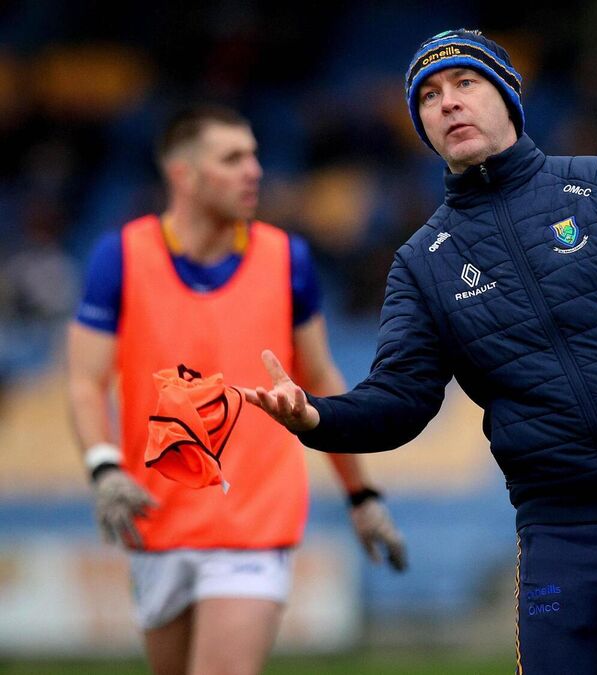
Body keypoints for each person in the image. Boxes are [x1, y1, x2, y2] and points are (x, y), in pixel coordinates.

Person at [243, 28, 597, 674]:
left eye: (465, 82)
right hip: (564, 530)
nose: (449, 102)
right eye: (429, 96)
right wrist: (316, 416)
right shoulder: (423, 263)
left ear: (508, 95)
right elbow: (400, 398)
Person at [66, 104, 407, 675]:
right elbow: (84, 379)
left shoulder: (287, 259)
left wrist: (361, 495)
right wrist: (104, 468)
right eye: (232, 158)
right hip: (158, 518)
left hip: (252, 521)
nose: (254, 170)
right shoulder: (120, 257)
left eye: (253, 155)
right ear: (183, 174)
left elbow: (321, 380)